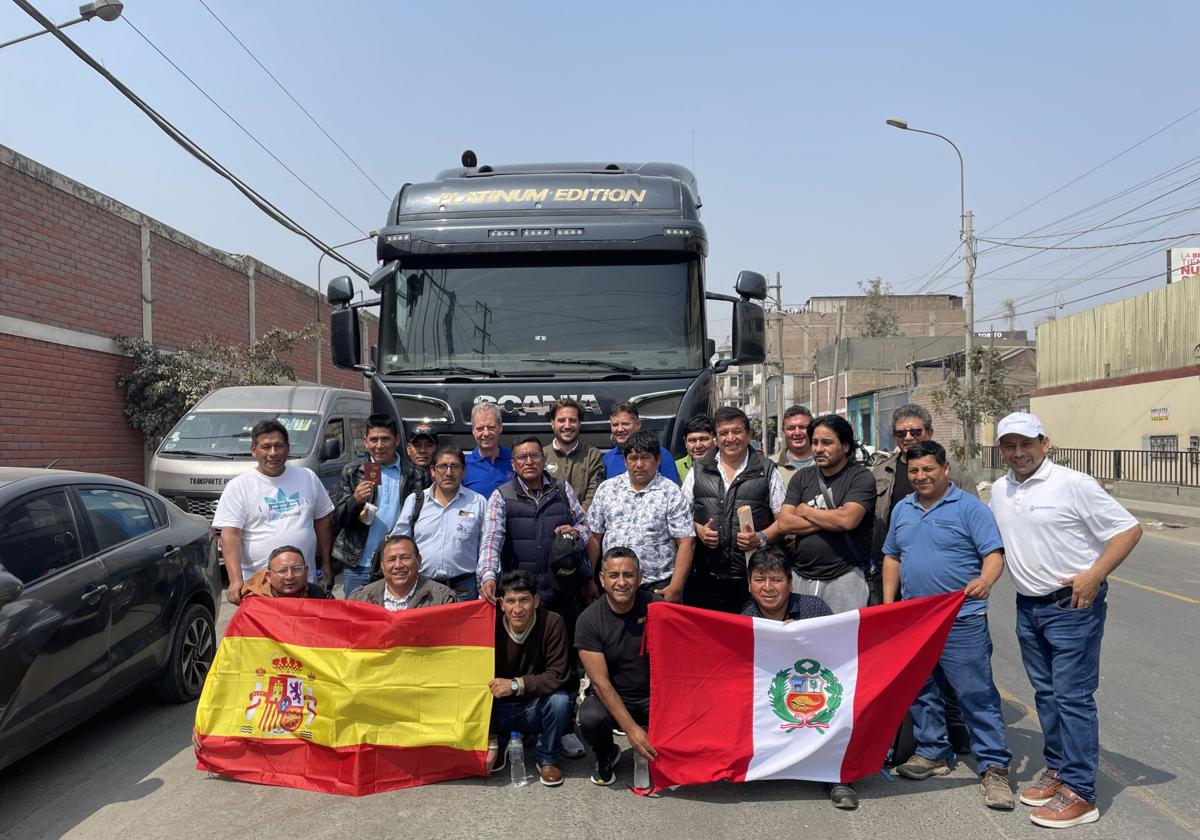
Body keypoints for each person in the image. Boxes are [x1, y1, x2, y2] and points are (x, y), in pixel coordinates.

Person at [990, 412, 1142, 829]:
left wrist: (1095, 575)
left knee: (1072, 697)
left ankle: (1081, 792)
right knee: (1046, 694)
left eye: (1026, 443)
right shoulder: (1001, 490)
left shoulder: (1074, 484)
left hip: (1072, 607)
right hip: (1029, 606)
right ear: (1001, 449)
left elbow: (1128, 530)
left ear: (1045, 443)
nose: (1018, 453)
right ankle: (1058, 769)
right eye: (1009, 445)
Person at [882, 441, 1014, 811]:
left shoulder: (970, 508)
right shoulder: (902, 510)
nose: (921, 477)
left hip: (962, 621)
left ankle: (994, 767)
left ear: (944, 469)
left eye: (928, 469)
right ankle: (932, 753)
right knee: (923, 691)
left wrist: (987, 580)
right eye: (914, 471)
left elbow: (993, 554)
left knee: (976, 694)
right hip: (916, 622)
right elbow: (892, 556)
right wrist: (891, 607)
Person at [478, 434, 592, 761]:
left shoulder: (562, 490)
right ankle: (516, 722)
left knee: (564, 661)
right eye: (521, 457)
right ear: (512, 465)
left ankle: (565, 727)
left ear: (543, 460)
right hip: (520, 595)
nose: (529, 461)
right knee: (516, 658)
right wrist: (488, 577)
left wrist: (574, 533)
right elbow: (491, 541)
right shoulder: (502, 496)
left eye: (534, 456)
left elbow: (585, 526)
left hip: (559, 590)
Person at [739, 546, 855, 809]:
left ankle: (840, 779)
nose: (768, 587)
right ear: (749, 585)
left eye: (776, 579)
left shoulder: (814, 608)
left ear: (790, 584)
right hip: (773, 696)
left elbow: (840, 656)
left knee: (844, 705)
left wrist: (804, 638)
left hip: (819, 691)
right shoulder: (746, 619)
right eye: (760, 579)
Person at [213, 419, 333, 605]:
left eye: (278, 446)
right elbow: (230, 535)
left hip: (303, 583)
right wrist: (236, 580)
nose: (273, 453)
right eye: (266, 447)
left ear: (288, 448)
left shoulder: (307, 477)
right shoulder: (239, 486)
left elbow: (322, 520)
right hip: (261, 587)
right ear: (254, 450)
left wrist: (326, 562)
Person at [681, 406, 786, 613]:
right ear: (715, 438)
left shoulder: (767, 470)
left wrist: (760, 538)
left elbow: (784, 521)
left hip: (753, 577)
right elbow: (679, 516)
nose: (730, 438)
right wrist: (698, 530)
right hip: (707, 575)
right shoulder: (699, 469)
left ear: (748, 434)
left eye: (736, 431)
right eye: (723, 433)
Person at [777, 414, 875, 614]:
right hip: (802, 576)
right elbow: (785, 523)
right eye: (815, 442)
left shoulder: (861, 477)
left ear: (845, 446)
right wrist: (832, 518)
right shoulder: (802, 477)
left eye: (827, 443)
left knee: (840, 642)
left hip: (844, 578)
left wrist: (805, 511)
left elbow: (847, 520)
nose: (818, 449)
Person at [575, 547, 657, 786]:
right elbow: (600, 684)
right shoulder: (588, 621)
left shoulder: (657, 607)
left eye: (628, 575)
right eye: (614, 575)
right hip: (613, 694)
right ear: (602, 579)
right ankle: (606, 753)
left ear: (640, 577)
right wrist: (632, 730)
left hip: (653, 695)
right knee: (589, 718)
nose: (622, 582)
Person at [587, 430, 695, 603]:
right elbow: (594, 537)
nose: (638, 464)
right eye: (633, 458)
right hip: (615, 585)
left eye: (645, 458)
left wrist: (676, 587)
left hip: (657, 587)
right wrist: (589, 580)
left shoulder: (671, 492)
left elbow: (686, 542)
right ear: (625, 461)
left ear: (658, 460)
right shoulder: (607, 489)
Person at [333, 416, 436, 596]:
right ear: (365, 442)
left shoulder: (415, 474)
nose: (379, 445)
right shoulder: (353, 472)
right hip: (360, 564)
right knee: (358, 618)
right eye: (373, 439)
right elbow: (338, 519)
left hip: (400, 565)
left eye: (385, 439)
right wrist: (355, 501)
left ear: (396, 440)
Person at [488, 571, 572, 787]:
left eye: (524, 600)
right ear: (501, 603)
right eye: (511, 601)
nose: (517, 609)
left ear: (536, 600)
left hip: (533, 704)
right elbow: (477, 682)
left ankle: (548, 757)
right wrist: (491, 737)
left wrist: (516, 685)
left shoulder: (553, 622)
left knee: (560, 701)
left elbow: (557, 675)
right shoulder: (490, 628)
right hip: (498, 708)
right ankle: (501, 741)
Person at [871, 403, 977, 565]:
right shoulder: (880, 472)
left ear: (930, 432)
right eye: (901, 433)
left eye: (915, 432)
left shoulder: (956, 472)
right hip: (891, 564)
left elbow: (975, 522)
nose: (908, 438)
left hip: (943, 566)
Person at [390, 445, 486, 601]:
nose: (448, 473)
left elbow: (486, 547)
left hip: (464, 589)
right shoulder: (416, 501)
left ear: (464, 471)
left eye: (454, 466)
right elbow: (399, 542)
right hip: (423, 587)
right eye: (442, 467)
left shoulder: (478, 502)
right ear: (432, 471)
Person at [347, 535, 455, 610]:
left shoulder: (443, 599)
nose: (398, 565)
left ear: (419, 561)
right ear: (382, 565)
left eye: (405, 558)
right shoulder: (359, 599)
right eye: (391, 560)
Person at [543, 398, 605, 511]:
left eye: (572, 420)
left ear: (579, 424)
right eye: (561, 420)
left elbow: (595, 494)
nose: (567, 426)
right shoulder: (541, 456)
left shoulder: (593, 455)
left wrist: (578, 520)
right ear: (552, 424)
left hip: (583, 523)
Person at [602, 402, 680, 484]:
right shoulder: (607, 459)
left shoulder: (660, 454)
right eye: (615, 425)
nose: (620, 429)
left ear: (638, 425)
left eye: (625, 424)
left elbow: (672, 491)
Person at [239, 545, 334, 600]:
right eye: (282, 571)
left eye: (297, 569)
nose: (289, 576)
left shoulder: (319, 595)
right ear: (268, 576)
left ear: (306, 571)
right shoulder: (254, 603)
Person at [464, 402, 514, 499]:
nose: (486, 433)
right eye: (480, 428)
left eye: (491, 427)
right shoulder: (463, 465)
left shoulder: (515, 460)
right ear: (473, 431)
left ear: (500, 428)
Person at [774, 404, 815, 487]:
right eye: (791, 428)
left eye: (802, 427)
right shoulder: (771, 465)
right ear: (783, 431)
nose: (797, 433)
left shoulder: (827, 462)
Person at [674, 414, 715, 482]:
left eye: (703, 439)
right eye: (692, 440)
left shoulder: (726, 465)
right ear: (685, 442)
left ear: (715, 439)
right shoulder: (675, 468)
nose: (698, 446)